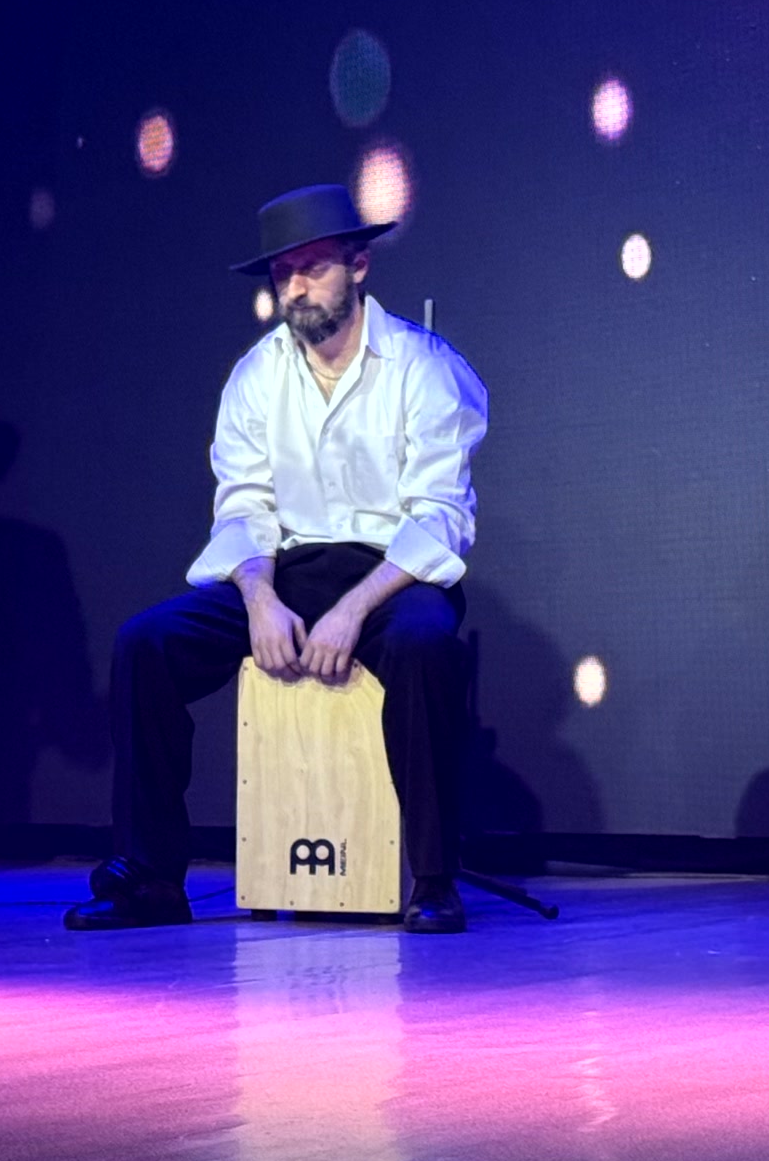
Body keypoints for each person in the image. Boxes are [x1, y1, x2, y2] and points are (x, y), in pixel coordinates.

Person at [66, 185, 488, 935]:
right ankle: (151, 876)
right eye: (283, 273)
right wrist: (260, 600)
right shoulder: (256, 375)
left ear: (358, 267)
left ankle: (432, 877)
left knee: (424, 644)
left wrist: (353, 609)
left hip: (392, 576)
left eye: (313, 268)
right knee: (146, 645)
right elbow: (244, 508)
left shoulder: (424, 368)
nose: (296, 287)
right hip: (285, 571)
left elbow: (438, 517)